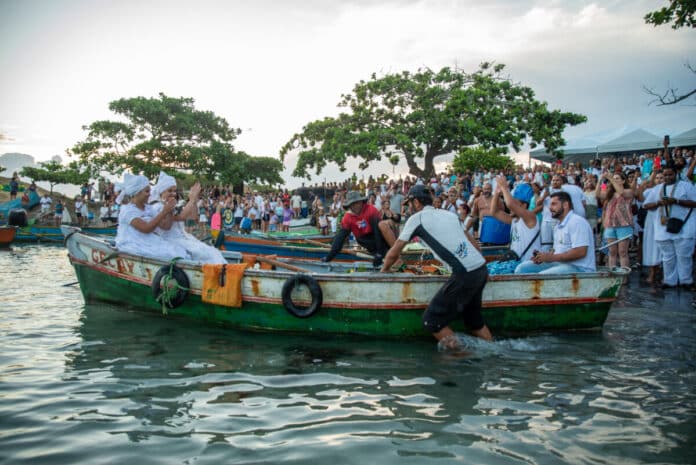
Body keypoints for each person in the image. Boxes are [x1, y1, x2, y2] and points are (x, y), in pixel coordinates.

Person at [380, 185, 493, 346]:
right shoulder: (449, 215)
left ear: (416, 202)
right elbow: (472, 242)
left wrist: (384, 270)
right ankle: (492, 350)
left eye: (409, 204)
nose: (408, 208)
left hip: (465, 273)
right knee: (474, 323)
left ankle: (460, 358)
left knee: (431, 321)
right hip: (480, 269)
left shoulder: (416, 219)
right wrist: (483, 267)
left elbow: (394, 252)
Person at [150, 171, 226, 264]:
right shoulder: (157, 206)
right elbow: (181, 217)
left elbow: (192, 216)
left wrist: (194, 199)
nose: (173, 193)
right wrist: (192, 199)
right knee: (204, 254)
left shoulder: (172, 205)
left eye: (174, 191)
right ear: (161, 192)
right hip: (170, 240)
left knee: (211, 251)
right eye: (169, 191)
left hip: (184, 238)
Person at [642, 163, 696, 289]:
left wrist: (676, 201)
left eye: (670, 174)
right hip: (663, 228)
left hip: (684, 227)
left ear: (676, 174)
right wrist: (658, 203)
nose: (667, 177)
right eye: (665, 175)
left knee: (684, 256)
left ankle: (686, 281)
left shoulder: (686, 186)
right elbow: (646, 205)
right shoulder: (657, 189)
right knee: (667, 257)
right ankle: (669, 281)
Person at [515, 191, 596, 274]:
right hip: (560, 264)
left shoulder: (577, 222)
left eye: (554, 204)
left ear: (565, 205)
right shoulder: (558, 225)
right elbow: (557, 251)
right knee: (522, 268)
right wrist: (542, 257)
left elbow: (580, 252)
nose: (550, 208)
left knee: (542, 276)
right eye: (550, 204)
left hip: (579, 268)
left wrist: (552, 257)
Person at [115, 173, 189, 261]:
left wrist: (169, 211)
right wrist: (164, 211)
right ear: (137, 192)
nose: (150, 194)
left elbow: (166, 226)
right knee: (170, 254)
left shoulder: (148, 208)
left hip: (149, 240)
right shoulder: (127, 210)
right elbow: (146, 228)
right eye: (147, 191)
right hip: (133, 243)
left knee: (180, 251)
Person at [322, 191, 396, 266]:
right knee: (359, 239)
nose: (355, 206)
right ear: (349, 206)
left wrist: (380, 253)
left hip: (380, 237)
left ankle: (394, 251)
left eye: (357, 203)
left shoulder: (371, 209)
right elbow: (340, 238)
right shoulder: (347, 218)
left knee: (383, 224)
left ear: (361, 202)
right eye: (352, 204)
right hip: (367, 241)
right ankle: (379, 253)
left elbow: (377, 231)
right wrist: (329, 257)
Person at [490, 177, 540, 262]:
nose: (510, 208)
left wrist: (504, 187)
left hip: (528, 265)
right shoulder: (513, 220)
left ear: (524, 205)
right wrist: (497, 193)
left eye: (515, 204)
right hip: (516, 263)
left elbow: (509, 204)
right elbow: (493, 212)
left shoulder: (530, 217)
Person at [596, 172, 634, 270]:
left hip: (624, 225)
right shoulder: (609, 193)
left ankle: (624, 276)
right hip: (610, 225)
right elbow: (598, 194)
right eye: (614, 178)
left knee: (622, 252)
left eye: (617, 178)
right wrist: (601, 180)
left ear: (623, 181)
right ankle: (613, 274)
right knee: (611, 252)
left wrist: (611, 178)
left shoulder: (628, 191)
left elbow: (621, 192)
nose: (614, 180)